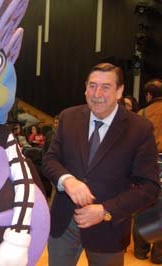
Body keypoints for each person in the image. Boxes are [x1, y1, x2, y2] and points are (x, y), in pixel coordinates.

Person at [42, 63, 161, 266]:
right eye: (92, 85)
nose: (97, 93)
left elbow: (149, 187)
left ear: (120, 91)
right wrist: (67, 180)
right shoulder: (68, 117)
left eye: (105, 87)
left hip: (108, 229)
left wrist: (105, 211)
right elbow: (50, 160)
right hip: (64, 225)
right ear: (85, 87)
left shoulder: (139, 129)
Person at [133, 78, 162, 264]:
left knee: (143, 207)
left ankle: (140, 250)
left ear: (149, 95)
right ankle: (159, 255)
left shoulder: (141, 114)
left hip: (147, 165)